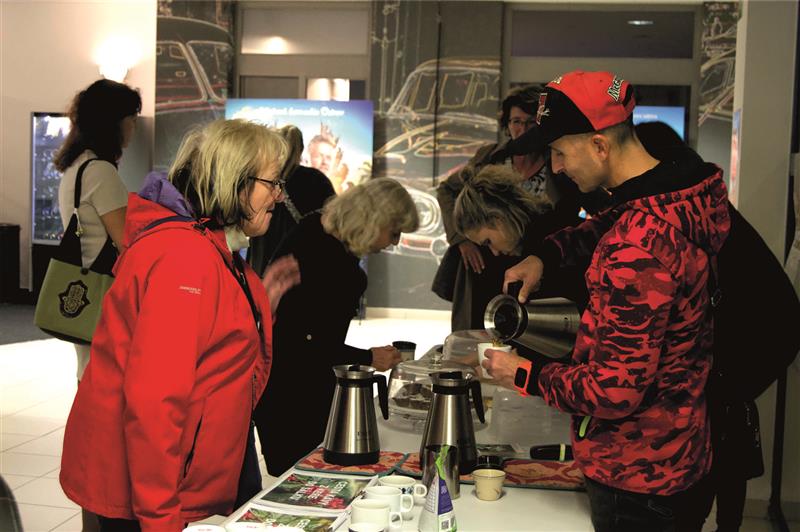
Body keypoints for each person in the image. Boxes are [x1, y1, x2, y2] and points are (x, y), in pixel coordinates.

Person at [483, 71, 730, 531]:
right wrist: (548, 255)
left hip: (638, 479)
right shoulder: (680, 193)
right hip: (683, 452)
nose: (555, 167)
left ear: (599, 146)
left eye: (559, 151)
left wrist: (521, 374)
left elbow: (612, 392)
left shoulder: (635, 249)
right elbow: (615, 221)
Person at [60, 119, 301, 532]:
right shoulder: (184, 257)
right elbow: (155, 400)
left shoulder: (207, 247)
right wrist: (161, 520)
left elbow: (218, 345)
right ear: (234, 183)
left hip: (180, 478)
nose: (279, 196)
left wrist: (264, 305)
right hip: (154, 494)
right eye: (272, 183)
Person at [255, 177, 419, 475]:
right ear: (374, 220)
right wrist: (368, 358)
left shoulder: (313, 227)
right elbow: (306, 344)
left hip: (276, 389)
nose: (394, 243)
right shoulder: (338, 265)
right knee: (306, 481)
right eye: (394, 232)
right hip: (295, 400)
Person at [435, 85, 584, 331]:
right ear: (507, 123)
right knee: (480, 327)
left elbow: (567, 216)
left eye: (529, 122)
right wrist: (462, 238)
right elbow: (447, 190)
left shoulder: (557, 164)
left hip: (537, 256)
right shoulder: (492, 157)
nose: (522, 129)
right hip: (485, 263)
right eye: (516, 121)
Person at [55, 79, 141, 381]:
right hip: (103, 294)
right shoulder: (101, 172)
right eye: (132, 119)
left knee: (87, 369)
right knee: (103, 378)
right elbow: (126, 242)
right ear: (114, 122)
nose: (134, 127)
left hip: (81, 287)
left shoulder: (76, 167)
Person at [452, 164, 588, 311]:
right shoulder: (512, 252)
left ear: (498, 218)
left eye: (488, 242)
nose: (494, 252)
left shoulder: (561, 233)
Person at [248, 125, 336, 276]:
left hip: (262, 262)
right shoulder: (316, 180)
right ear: (301, 150)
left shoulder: (263, 178)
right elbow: (335, 220)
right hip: (301, 265)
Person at [306, 124, 348, 193]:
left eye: (329, 158)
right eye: (318, 156)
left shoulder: (341, 193)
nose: (324, 162)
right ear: (308, 158)